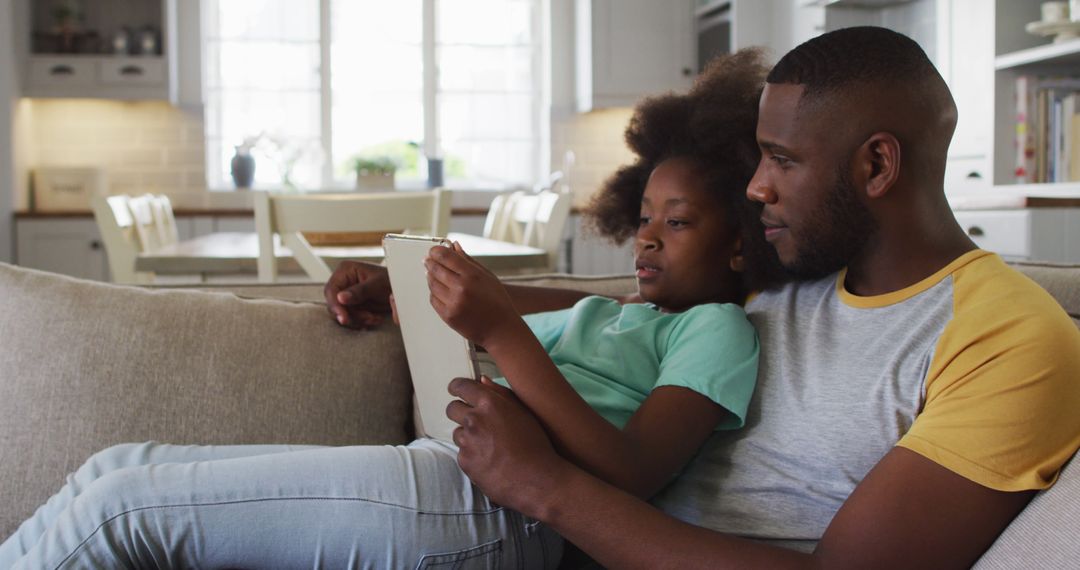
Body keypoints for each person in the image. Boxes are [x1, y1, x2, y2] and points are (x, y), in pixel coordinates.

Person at [0, 51, 784, 569]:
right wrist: (393, 292)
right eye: (643, 216)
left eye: (676, 223)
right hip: (447, 474)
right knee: (113, 468)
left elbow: (635, 472)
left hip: (495, 512)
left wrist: (501, 333)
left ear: (743, 244)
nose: (646, 238)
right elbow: (492, 307)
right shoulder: (614, 312)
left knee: (120, 511)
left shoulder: (717, 329)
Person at [440, 26, 1080, 568]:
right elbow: (625, 314)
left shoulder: (1011, 339)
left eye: (781, 159)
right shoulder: (796, 267)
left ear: (877, 166)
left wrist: (548, 489)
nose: (755, 187)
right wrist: (453, 290)